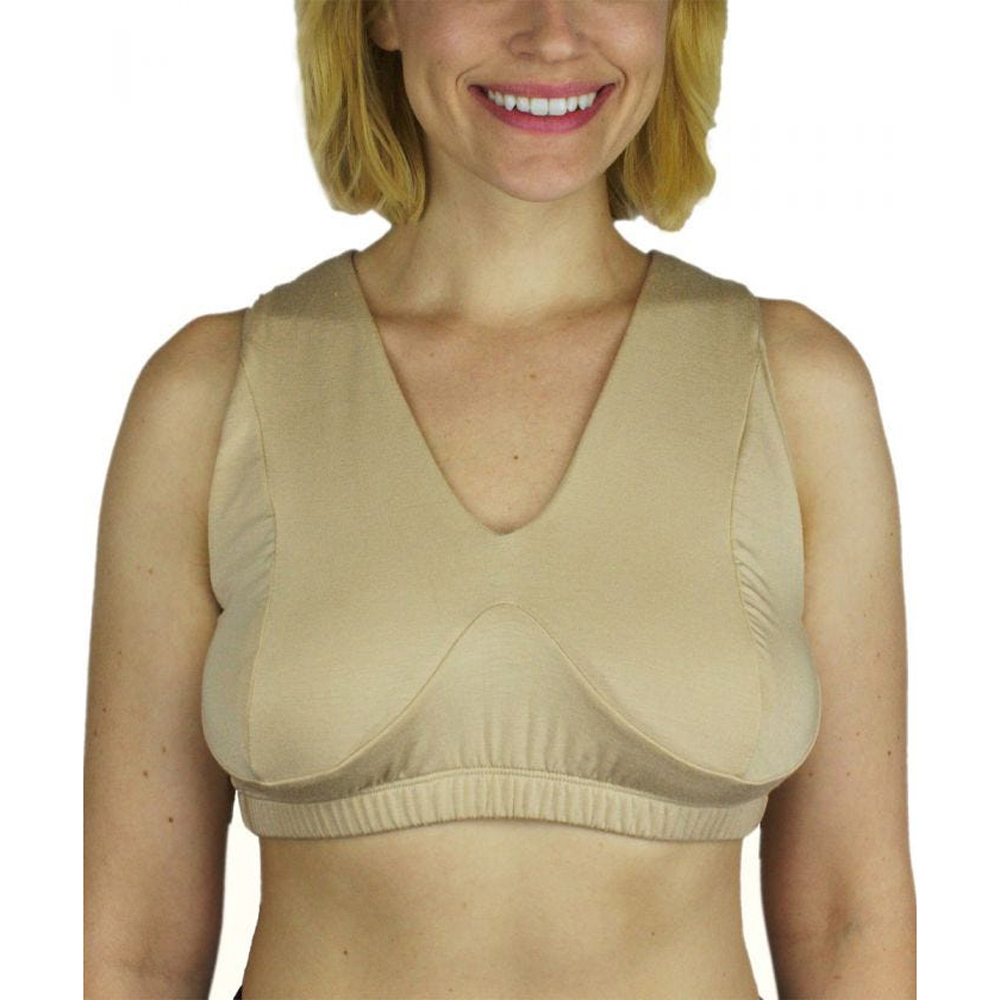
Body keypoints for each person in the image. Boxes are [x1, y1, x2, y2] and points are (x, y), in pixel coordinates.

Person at [83, 1, 917, 997]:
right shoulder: (210, 398)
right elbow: (134, 950)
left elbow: (848, 919)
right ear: (380, 14)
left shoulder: (795, 391)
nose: (552, 32)